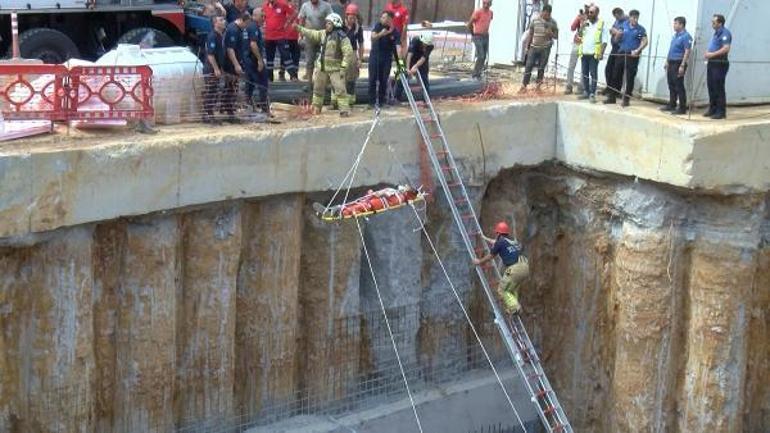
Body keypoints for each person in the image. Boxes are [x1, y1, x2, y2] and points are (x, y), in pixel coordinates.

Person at [294, 13, 354, 116]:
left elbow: (348, 53)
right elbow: (312, 33)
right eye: (326, 23)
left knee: (340, 90)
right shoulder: (323, 34)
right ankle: (316, 108)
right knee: (317, 89)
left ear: (335, 24)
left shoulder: (342, 37)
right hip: (322, 68)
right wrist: (299, 28)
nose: (326, 25)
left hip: (336, 69)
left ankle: (344, 110)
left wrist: (343, 67)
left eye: (329, 23)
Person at [472, 221, 529, 315]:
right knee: (512, 289)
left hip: (515, 268)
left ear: (498, 233)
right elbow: (495, 242)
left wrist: (479, 261)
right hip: (525, 267)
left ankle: (515, 308)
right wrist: (483, 237)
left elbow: (491, 256)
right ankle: (513, 307)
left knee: (502, 290)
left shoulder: (500, 242)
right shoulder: (511, 241)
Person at [604, 9, 647, 107]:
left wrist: (638, 49)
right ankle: (612, 97)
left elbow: (644, 41)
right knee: (616, 75)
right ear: (630, 17)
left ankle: (626, 99)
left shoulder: (640, 29)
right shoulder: (624, 26)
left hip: (632, 55)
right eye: (633, 17)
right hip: (621, 53)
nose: (635, 20)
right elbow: (616, 39)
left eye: (637, 18)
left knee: (630, 77)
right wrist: (617, 36)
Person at [520, 4, 558, 93]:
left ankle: (538, 87)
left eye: (548, 15)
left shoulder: (553, 22)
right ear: (543, 12)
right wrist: (527, 47)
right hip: (533, 47)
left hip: (545, 48)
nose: (547, 16)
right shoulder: (535, 20)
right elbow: (531, 33)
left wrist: (551, 34)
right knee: (528, 66)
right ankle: (524, 86)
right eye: (545, 14)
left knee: (541, 68)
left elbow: (556, 36)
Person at [223, 12, 252, 122]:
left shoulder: (238, 29)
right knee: (231, 87)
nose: (247, 26)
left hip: (235, 62)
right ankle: (229, 111)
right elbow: (230, 49)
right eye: (247, 23)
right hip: (230, 64)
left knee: (231, 87)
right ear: (241, 20)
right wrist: (236, 65)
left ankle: (226, 108)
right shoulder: (233, 30)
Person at [661, 16, 692, 115]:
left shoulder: (686, 36)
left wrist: (682, 65)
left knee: (679, 85)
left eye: (676, 23)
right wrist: (667, 61)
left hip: (679, 62)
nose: (674, 25)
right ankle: (672, 104)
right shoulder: (675, 36)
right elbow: (671, 49)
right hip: (671, 62)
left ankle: (682, 108)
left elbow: (687, 51)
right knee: (671, 84)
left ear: (681, 25)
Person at [298, 0, 334, 87]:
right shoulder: (305, 6)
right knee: (309, 60)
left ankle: (326, 82)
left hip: (323, 36)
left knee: (325, 59)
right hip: (310, 37)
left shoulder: (326, 6)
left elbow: (331, 20)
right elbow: (302, 20)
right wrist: (300, 35)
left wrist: (331, 34)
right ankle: (309, 82)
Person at [369, 10, 400, 108]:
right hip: (375, 55)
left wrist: (401, 65)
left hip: (387, 57)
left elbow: (398, 49)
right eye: (381, 17)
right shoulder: (378, 26)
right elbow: (372, 37)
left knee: (384, 79)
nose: (381, 19)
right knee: (372, 79)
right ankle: (371, 102)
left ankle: (382, 101)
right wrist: (381, 34)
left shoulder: (395, 32)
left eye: (384, 17)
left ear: (390, 19)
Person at [577, 5, 608, 103]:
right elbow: (580, 35)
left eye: (591, 12)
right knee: (584, 73)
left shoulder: (601, 24)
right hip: (584, 53)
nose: (589, 14)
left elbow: (604, 41)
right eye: (589, 12)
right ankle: (586, 91)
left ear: (597, 13)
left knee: (593, 74)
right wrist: (581, 26)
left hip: (594, 54)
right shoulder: (586, 23)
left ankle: (592, 93)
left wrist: (601, 53)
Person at [704, 14, 732, 119]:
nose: (712, 24)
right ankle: (712, 109)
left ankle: (721, 111)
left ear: (720, 23)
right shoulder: (716, 34)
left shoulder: (725, 33)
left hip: (720, 63)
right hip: (712, 63)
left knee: (718, 87)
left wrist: (712, 54)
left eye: (714, 22)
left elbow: (726, 48)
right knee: (711, 86)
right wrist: (708, 53)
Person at [263, 0, 299, 82]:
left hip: (280, 36)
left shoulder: (282, 3)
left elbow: (294, 13)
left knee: (286, 56)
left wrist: (288, 23)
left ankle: (293, 76)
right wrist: (264, 25)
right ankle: (269, 78)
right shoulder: (265, 6)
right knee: (269, 58)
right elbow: (263, 16)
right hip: (268, 36)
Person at [202, 15, 226, 124]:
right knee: (210, 92)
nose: (224, 21)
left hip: (217, 68)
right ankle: (208, 115)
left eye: (223, 19)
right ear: (215, 23)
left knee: (214, 92)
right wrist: (216, 69)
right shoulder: (213, 36)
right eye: (221, 20)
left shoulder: (220, 35)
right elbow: (210, 55)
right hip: (210, 68)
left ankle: (210, 114)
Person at [396, 32, 434, 101]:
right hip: (411, 59)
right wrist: (408, 69)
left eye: (426, 44)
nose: (425, 45)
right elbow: (409, 55)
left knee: (424, 79)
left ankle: (426, 100)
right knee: (402, 77)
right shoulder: (415, 40)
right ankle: (397, 97)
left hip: (421, 63)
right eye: (424, 43)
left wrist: (415, 67)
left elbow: (423, 58)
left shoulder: (430, 46)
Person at [246, 8, 269, 114]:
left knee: (250, 85)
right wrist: (260, 60)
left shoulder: (252, 26)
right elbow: (253, 44)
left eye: (265, 16)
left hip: (250, 60)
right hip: (253, 60)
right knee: (263, 84)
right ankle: (264, 109)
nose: (264, 19)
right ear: (255, 16)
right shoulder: (253, 27)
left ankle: (249, 107)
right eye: (262, 16)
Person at [343, 3, 364, 105]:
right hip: (341, 53)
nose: (352, 20)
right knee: (340, 77)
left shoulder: (358, 28)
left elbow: (361, 44)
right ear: (346, 16)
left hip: (352, 53)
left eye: (354, 17)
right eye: (350, 17)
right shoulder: (340, 26)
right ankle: (337, 101)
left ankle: (350, 100)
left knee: (351, 77)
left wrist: (360, 59)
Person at [467, 0, 493, 80]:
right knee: (480, 55)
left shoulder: (490, 13)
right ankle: (475, 74)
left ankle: (479, 74)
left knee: (484, 56)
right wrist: (473, 34)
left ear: (490, 4)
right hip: (477, 36)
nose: (486, 5)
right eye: (484, 3)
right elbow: (469, 24)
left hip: (485, 36)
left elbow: (487, 22)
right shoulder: (478, 12)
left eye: (488, 3)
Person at [564, 6, 588, 95]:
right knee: (571, 65)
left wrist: (585, 22)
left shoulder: (593, 21)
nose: (586, 11)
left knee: (584, 66)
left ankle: (581, 87)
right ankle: (569, 86)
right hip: (577, 42)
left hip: (586, 44)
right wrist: (578, 19)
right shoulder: (580, 17)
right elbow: (572, 28)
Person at [603, 8, 626, 96]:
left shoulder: (626, 22)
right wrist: (612, 31)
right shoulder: (617, 21)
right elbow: (612, 29)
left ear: (621, 14)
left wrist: (615, 32)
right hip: (614, 48)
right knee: (608, 68)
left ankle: (616, 91)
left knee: (617, 71)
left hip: (621, 49)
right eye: (615, 17)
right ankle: (609, 87)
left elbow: (623, 33)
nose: (616, 18)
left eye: (617, 16)